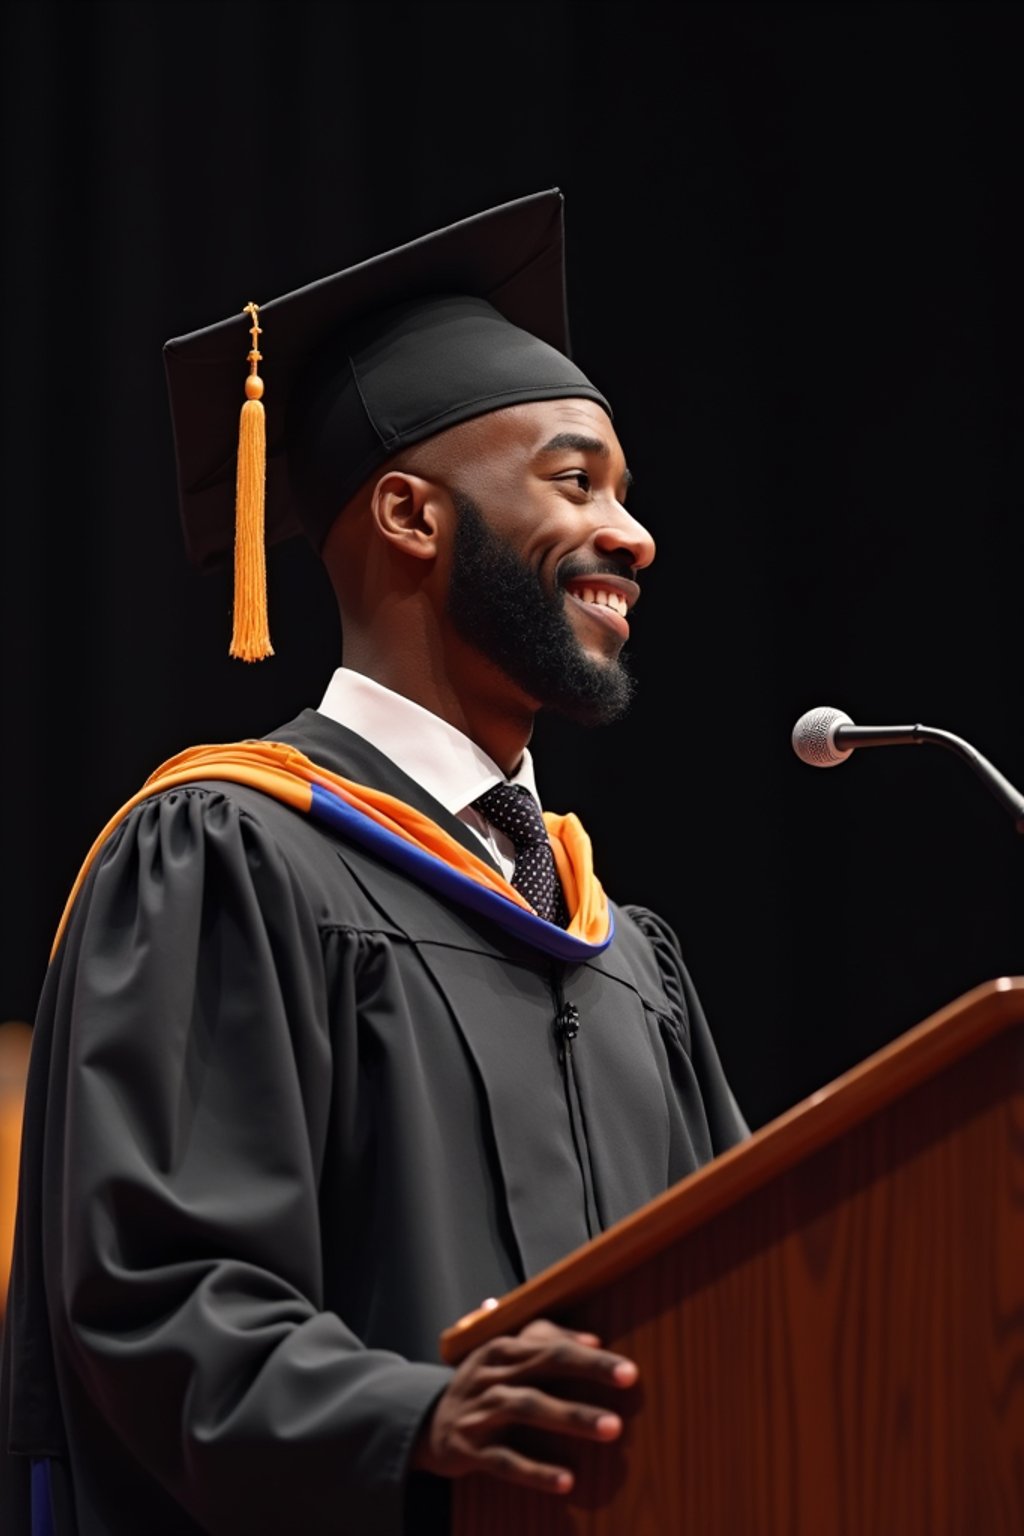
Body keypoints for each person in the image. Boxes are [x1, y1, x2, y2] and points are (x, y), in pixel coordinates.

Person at [0, 189, 748, 1536]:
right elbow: (153, 1296)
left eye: (625, 498)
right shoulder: (229, 855)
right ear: (410, 515)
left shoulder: (628, 956)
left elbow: (765, 1299)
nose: (634, 538)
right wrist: (413, 1421)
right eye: (577, 482)